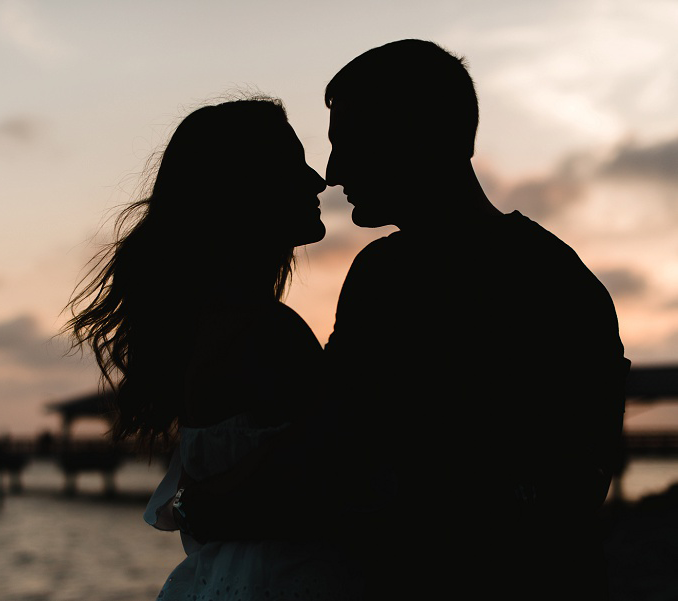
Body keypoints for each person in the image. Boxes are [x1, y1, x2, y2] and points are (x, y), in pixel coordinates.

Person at [178, 40, 630, 600]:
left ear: (413, 136)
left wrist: (196, 504)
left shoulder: (394, 276)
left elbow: (326, 448)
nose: (334, 173)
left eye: (348, 145)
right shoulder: (563, 276)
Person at [65, 98, 363, 600]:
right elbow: (327, 475)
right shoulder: (262, 331)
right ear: (243, 190)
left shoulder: (218, 323)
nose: (317, 181)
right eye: (293, 165)